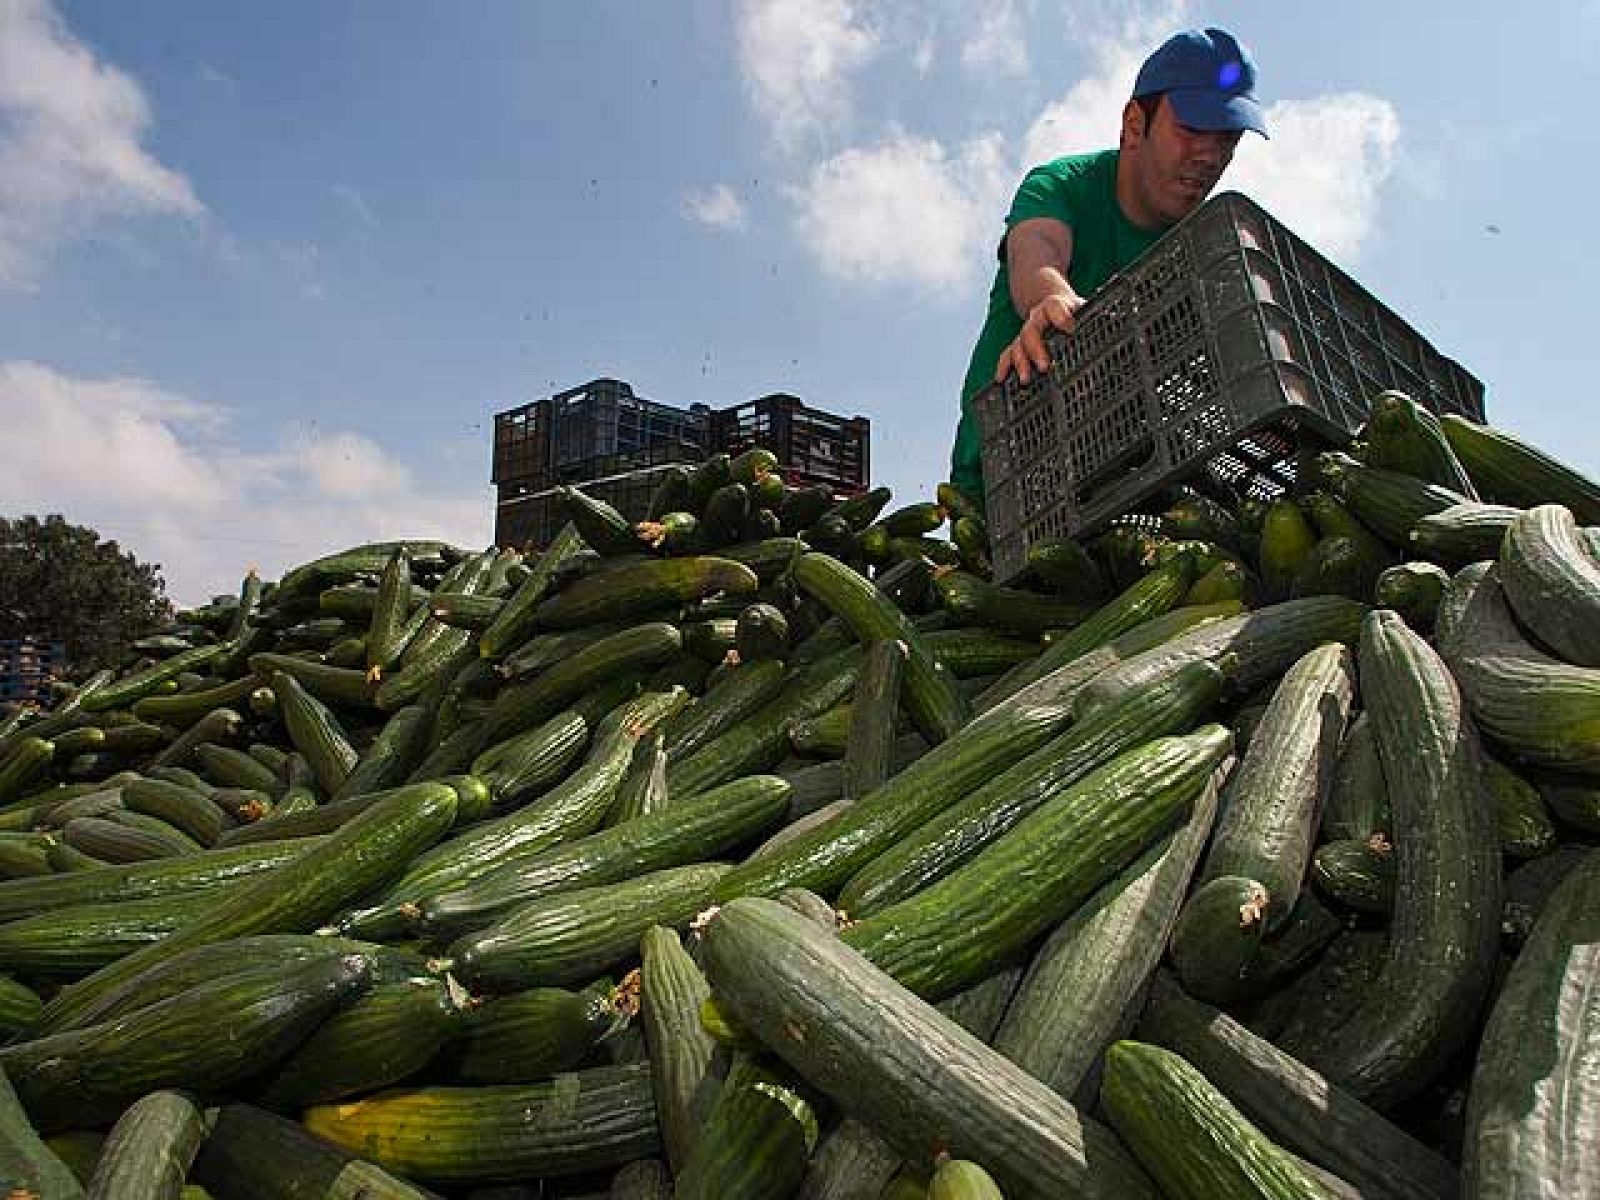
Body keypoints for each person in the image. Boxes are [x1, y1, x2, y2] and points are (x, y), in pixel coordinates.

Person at [949, 27, 1269, 505]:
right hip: (1001, 473)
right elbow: (1034, 253)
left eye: (1227, 138)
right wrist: (1052, 299)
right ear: (1135, 124)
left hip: (1115, 476)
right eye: (1192, 130)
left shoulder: (1207, 250)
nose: (1210, 155)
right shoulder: (1064, 185)